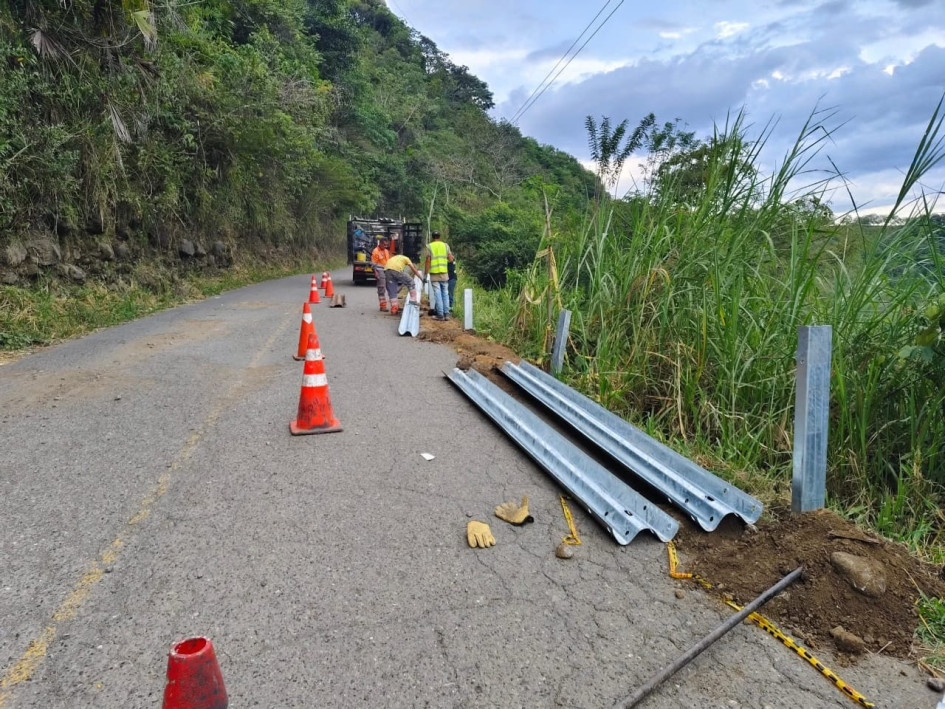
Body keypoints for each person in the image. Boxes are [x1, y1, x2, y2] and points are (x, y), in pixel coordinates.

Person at [423, 231, 454, 320]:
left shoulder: (429, 246)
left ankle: (440, 315)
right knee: (445, 293)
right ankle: (447, 314)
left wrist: (425, 274)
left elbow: (428, 261)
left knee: (437, 293)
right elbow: (451, 259)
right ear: (439, 237)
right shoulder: (445, 245)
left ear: (433, 237)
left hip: (434, 273)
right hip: (444, 272)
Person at [371, 237, 391, 311]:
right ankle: (383, 306)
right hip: (379, 271)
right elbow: (373, 263)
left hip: (386, 270)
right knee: (381, 288)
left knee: (390, 287)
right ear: (381, 243)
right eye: (384, 245)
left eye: (386, 245)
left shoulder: (386, 251)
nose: (386, 246)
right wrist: (375, 272)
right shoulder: (375, 251)